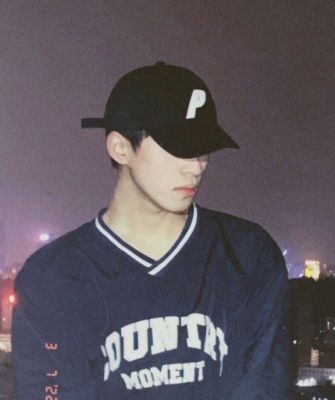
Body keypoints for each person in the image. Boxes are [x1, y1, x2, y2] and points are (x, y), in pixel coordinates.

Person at [11, 61, 290, 399]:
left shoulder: (247, 256)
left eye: (203, 148)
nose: (195, 166)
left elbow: (261, 386)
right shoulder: (54, 280)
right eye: (177, 147)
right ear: (120, 147)